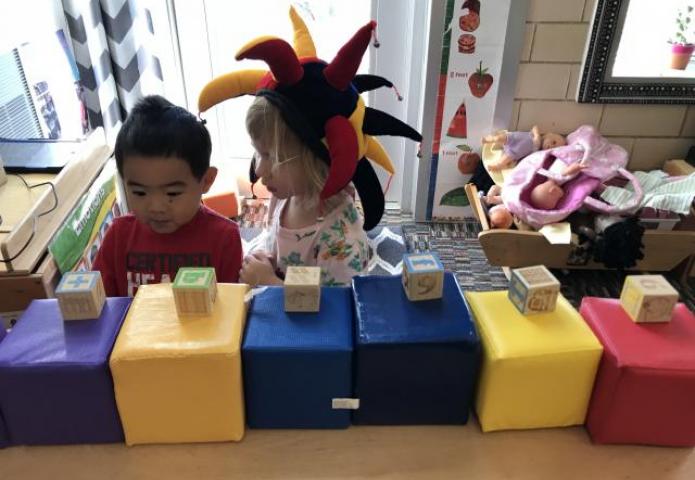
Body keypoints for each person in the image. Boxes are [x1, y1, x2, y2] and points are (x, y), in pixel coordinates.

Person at [92, 95, 242, 297]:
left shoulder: (224, 238)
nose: (156, 207)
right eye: (139, 192)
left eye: (172, 193)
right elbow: (100, 305)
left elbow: (232, 310)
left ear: (206, 181)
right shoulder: (118, 236)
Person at [239, 97, 370, 287]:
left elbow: (336, 310)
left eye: (271, 156)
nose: (258, 170)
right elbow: (272, 237)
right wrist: (264, 257)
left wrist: (269, 282)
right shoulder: (284, 194)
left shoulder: (342, 241)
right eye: (258, 153)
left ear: (313, 160)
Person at [484, 126, 566, 171]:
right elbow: (535, 127)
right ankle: (491, 139)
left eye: (553, 148)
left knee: (506, 159)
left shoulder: (538, 152)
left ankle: (497, 165)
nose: (551, 146)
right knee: (501, 138)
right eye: (553, 142)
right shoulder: (537, 135)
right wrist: (537, 135)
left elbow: (528, 158)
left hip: (514, 152)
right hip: (514, 138)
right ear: (549, 134)